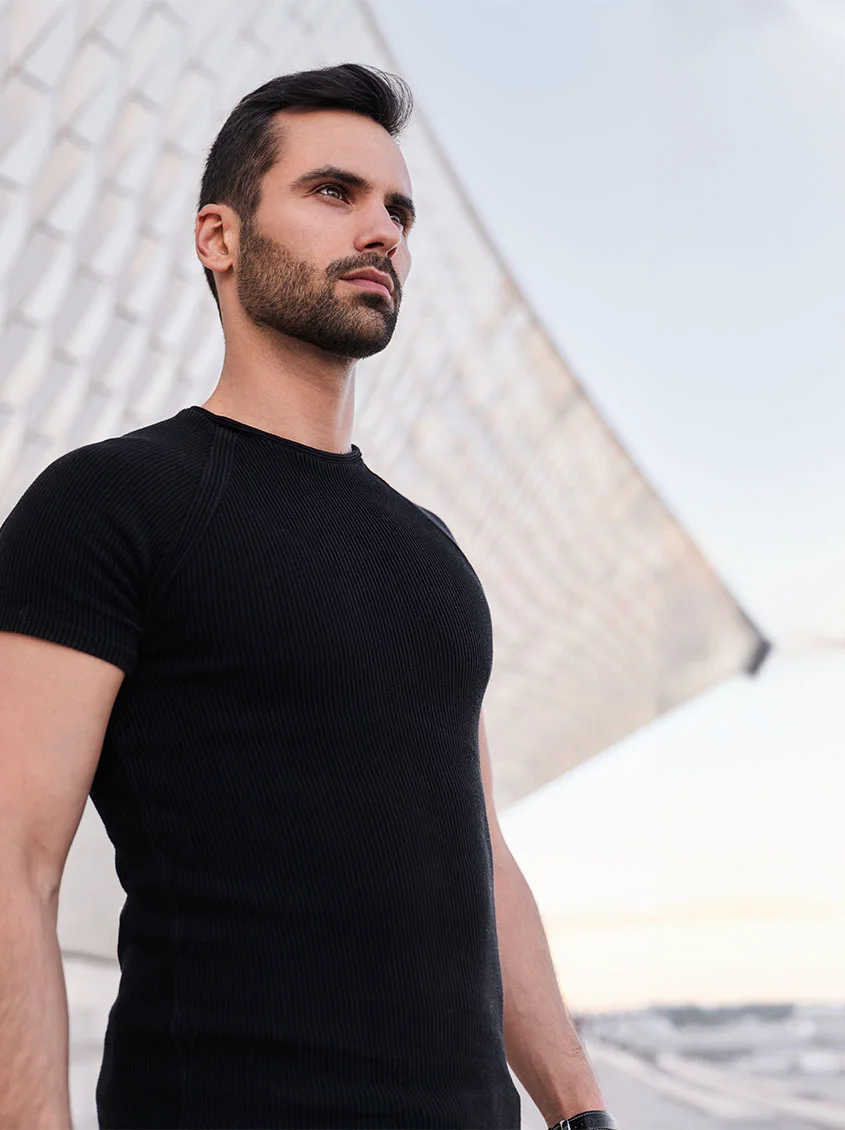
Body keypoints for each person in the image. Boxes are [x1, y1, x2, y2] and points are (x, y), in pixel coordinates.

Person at [0, 63, 618, 1130]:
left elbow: (480, 858)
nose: (381, 230)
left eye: (398, 210)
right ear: (220, 238)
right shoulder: (109, 504)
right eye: (334, 193)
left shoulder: (430, 556)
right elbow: (12, 851)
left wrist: (580, 1111)